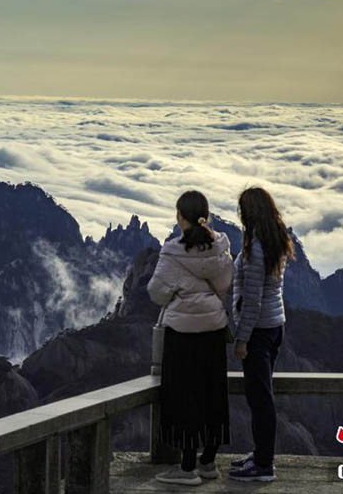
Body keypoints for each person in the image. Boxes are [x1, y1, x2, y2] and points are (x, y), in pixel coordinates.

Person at [146, 190, 234, 486]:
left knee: (184, 396)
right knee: (211, 393)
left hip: (182, 335)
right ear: (205, 216)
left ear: (180, 217)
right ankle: (208, 462)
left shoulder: (172, 252)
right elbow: (225, 283)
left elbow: (157, 293)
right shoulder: (220, 247)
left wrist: (179, 290)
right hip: (213, 332)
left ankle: (186, 468)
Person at [228, 186, 294, 482]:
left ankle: (264, 465)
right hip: (274, 325)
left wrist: (242, 338)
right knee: (261, 397)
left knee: (260, 399)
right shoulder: (274, 239)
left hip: (259, 331)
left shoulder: (256, 247)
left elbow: (252, 298)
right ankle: (260, 455)